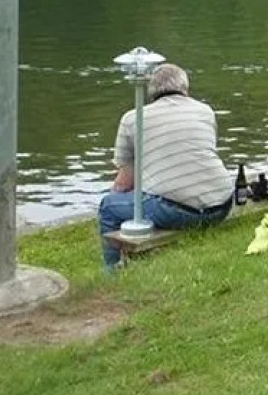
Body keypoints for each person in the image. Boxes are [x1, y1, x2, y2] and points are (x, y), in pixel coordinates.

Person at [97, 64, 233, 269]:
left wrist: (116, 195)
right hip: (221, 204)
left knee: (109, 206)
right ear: (185, 87)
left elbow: (125, 182)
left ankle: (112, 269)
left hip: (181, 214)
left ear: (152, 91)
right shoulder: (205, 111)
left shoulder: (133, 118)